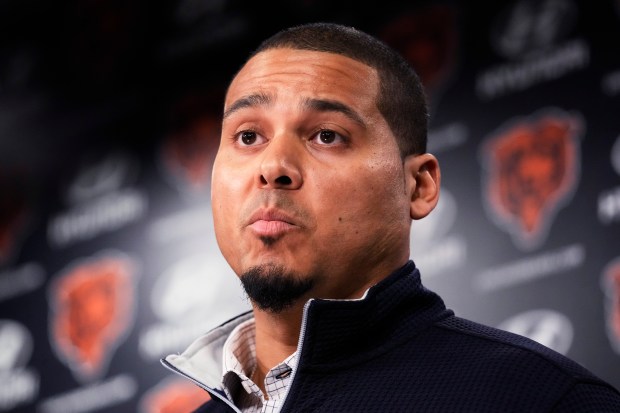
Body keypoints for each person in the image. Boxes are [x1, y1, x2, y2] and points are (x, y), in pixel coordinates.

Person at [162, 22, 620, 412]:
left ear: (418, 186)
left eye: (326, 135)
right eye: (247, 137)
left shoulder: (545, 400)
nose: (273, 166)